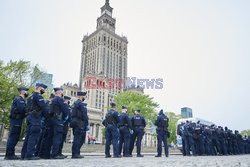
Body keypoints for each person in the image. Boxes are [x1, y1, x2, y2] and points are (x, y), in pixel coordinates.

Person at [21, 83, 48, 160]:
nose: (44, 90)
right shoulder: (38, 96)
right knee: (34, 137)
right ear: (40, 88)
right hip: (35, 118)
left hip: (29, 117)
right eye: (43, 89)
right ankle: (29, 154)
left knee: (28, 136)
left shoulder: (30, 97)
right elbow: (44, 107)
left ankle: (24, 154)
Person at [5, 87, 29, 160]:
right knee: (13, 137)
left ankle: (11, 154)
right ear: (22, 92)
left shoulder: (21, 100)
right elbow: (22, 109)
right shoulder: (19, 99)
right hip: (16, 120)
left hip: (18, 120)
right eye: (26, 91)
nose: (26, 93)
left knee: (15, 137)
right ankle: (9, 155)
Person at [70, 91, 88, 159]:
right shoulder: (80, 104)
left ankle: (75, 153)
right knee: (78, 139)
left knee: (76, 138)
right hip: (79, 122)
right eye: (84, 96)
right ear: (81, 96)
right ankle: (75, 154)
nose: (85, 97)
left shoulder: (74, 103)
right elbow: (84, 114)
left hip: (74, 121)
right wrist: (86, 123)